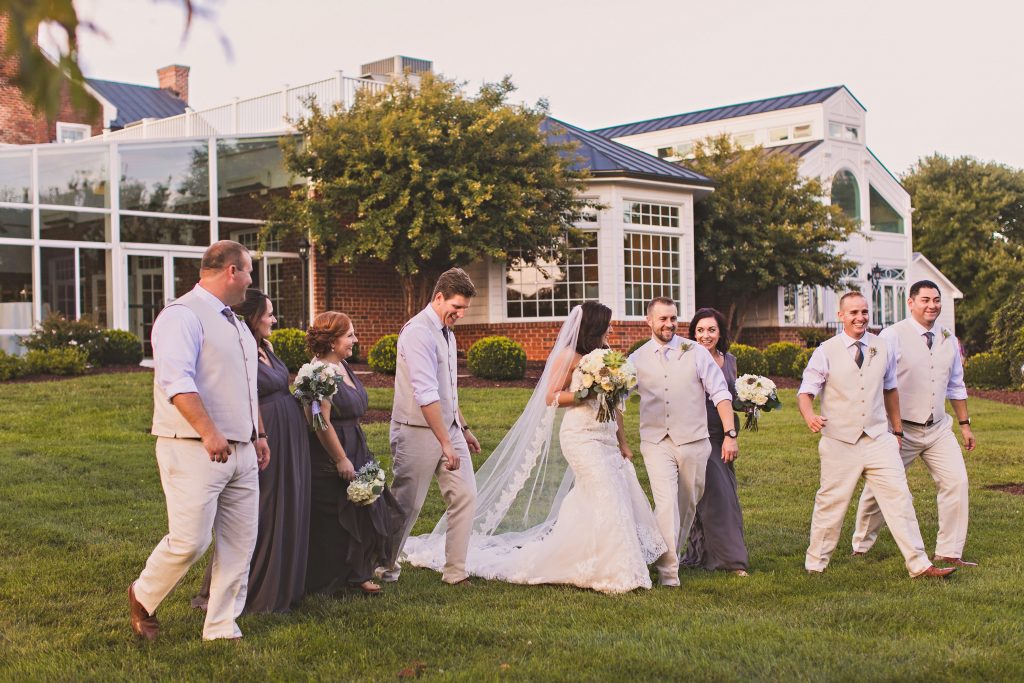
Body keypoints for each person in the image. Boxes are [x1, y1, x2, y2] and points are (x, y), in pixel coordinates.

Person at [403, 302, 666, 593]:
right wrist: (587, 392)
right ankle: (617, 570)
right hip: (581, 438)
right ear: (594, 327)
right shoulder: (570, 356)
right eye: (608, 324)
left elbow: (614, 406)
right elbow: (552, 397)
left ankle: (590, 557)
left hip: (605, 438)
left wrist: (623, 443)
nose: (612, 329)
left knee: (604, 498)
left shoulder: (607, 359)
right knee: (608, 496)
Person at [128, 240, 270, 642]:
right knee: (191, 541)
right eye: (248, 272)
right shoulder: (182, 315)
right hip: (192, 447)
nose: (250, 281)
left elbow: (245, 386)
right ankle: (142, 595)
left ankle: (222, 624)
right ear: (231, 271)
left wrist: (258, 434)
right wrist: (209, 431)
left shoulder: (237, 323)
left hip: (242, 451)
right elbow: (176, 381)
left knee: (240, 544)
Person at [797, 291, 954, 579]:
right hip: (839, 441)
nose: (860, 318)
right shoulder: (826, 350)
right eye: (854, 313)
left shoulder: (882, 346)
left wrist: (896, 429)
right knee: (831, 503)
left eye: (864, 312)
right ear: (841, 316)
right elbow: (806, 392)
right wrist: (810, 416)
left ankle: (919, 565)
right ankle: (815, 564)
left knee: (900, 498)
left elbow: (890, 389)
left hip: (878, 438)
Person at [192, 288, 311, 614]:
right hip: (264, 434)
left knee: (284, 504)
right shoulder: (236, 350)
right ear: (253, 317)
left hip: (288, 435)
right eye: (269, 314)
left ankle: (282, 583)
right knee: (260, 508)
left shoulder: (266, 348)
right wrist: (260, 432)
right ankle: (249, 590)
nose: (274, 319)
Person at [852, 280, 978, 567]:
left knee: (956, 482)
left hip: (937, 428)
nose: (932, 305)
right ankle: (861, 545)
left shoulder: (949, 338)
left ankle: (949, 551)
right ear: (911, 303)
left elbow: (956, 386)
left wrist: (964, 424)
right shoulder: (892, 335)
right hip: (899, 429)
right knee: (881, 487)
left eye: (936, 300)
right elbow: (876, 381)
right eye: (925, 300)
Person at [378, 268, 481, 585]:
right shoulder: (418, 332)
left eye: (464, 308)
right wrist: (445, 443)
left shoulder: (447, 332)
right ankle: (381, 566)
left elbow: (446, 388)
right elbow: (425, 394)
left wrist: (461, 428)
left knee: (465, 495)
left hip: (448, 428)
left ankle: (455, 572)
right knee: (407, 504)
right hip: (416, 431)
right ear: (439, 297)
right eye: (457, 307)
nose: (460, 314)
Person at [629, 297, 739, 587]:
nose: (669, 324)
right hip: (655, 441)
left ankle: (667, 553)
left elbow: (720, 394)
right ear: (649, 321)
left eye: (673, 318)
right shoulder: (636, 358)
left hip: (693, 441)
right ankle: (668, 573)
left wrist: (730, 434)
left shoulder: (696, 352)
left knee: (687, 504)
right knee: (666, 504)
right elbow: (618, 397)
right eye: (663, 319)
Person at [305, 311, 402, 595]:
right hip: (331, 449)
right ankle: (330, 578)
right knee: (338, 514)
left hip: (355, 442)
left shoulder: (343, 366)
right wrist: (340, 458)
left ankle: (358, 573)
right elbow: (319, 421)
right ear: (332, 341)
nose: (355, 340)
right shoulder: (318, 372)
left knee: (367, 506)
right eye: (349, 335)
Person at [681, 307, 750, 576]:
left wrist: (753, 402)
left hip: (723, 435)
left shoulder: (729, 360)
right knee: (717, 498)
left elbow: (732, 397)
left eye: (711, 329)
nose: (705, 335)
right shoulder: (687, 359)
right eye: (699, 330)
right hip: (699, 434)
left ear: (720, 332)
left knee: (722, 495)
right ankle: (733, 562)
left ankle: (704, 554)